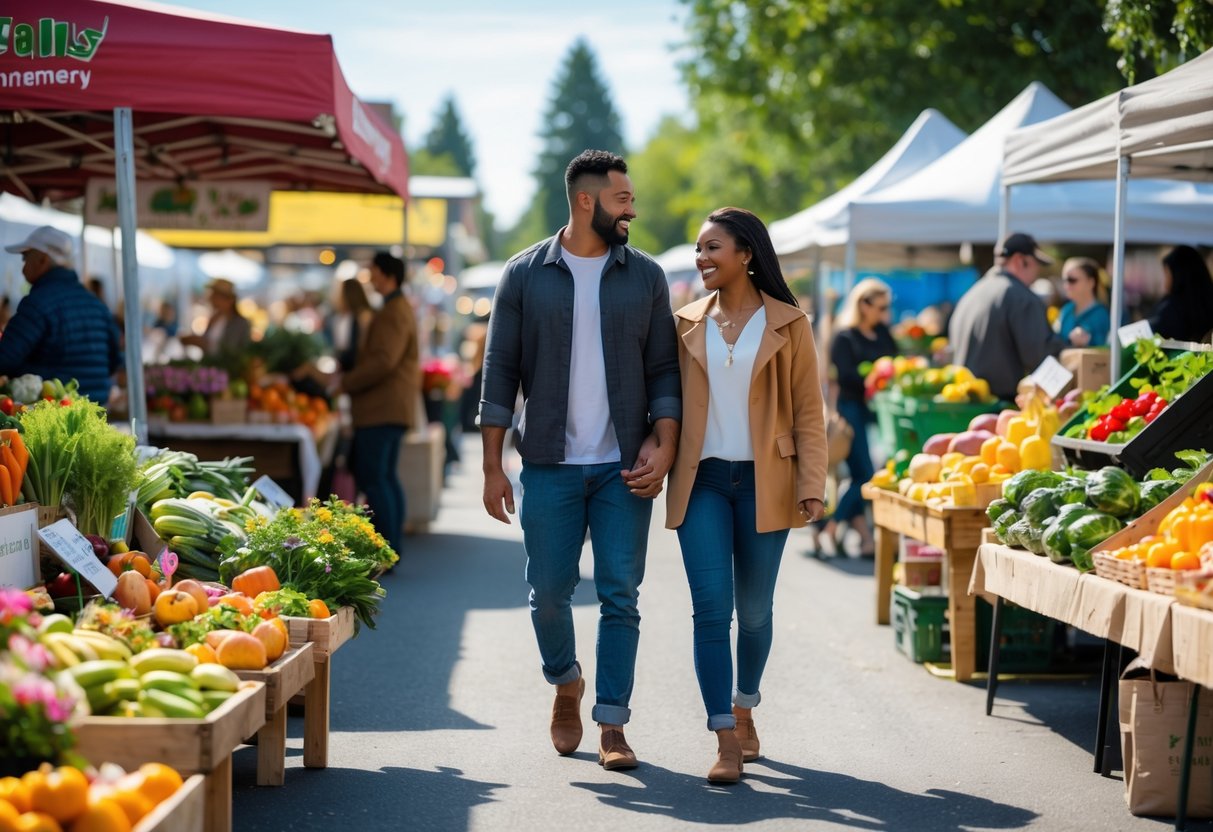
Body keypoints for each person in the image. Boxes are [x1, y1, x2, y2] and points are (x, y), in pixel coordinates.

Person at [479, 149, 680, 771]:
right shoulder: (525, 273)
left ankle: (612, 724)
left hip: (625, 465)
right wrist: (492, 466)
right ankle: (566, 682)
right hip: (548, 463)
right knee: (547, 593)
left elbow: (664, 368)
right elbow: (498, 372)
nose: (633, 211)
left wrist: (665, 442)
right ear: (586, 200)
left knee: (621, 594)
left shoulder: (645, 275)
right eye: (623, 200)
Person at [665, 207, 828, 783]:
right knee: (712, 611)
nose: (701, 259)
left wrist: (813, 483)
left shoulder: (790, 323)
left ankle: (745, 702)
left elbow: (810, 410)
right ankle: (724, 737)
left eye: (712, 248)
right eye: (698, 251)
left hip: (767, 481)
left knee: (755, 614)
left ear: (746, 254)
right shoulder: (684, 322)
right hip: (702, 479)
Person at [340, 252, 419, 558]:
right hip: (386, 408)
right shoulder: (394, 308)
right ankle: (391, 548)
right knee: (384, 478)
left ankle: (388, 548)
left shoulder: (393, 310)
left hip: (382, 409)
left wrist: (346, 382)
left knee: (377, 479)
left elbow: (384, 361)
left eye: (373, 272)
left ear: (387, 275)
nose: (369, 278)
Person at [813, 278, 897, 558]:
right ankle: (831, 526)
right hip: (852, 411)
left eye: (887, 307)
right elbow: (846, 375)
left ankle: (851, 532)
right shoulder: (844, 336)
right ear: (864, 304)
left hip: (880, 412)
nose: (885, 312)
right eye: (881, 306)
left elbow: (895, 362)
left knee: (867, 475)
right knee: (864, 475)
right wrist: (874, 377)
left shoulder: (883, 332)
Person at [0, 226, 121, 404]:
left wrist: (26, 374)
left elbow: (4, 359)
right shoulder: (97, 306)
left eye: (26, 258)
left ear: (43, 260)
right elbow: (113, 361)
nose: (23, 268)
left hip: (54, 412)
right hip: (97, 411)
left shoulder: (38, 303)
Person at [948, 232, 1066, 401]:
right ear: (1019, 260)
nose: (1037, 272)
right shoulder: (1022, 297)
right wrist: (1066, 345)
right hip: (1001, 408)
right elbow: (1039, 357)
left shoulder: (972, 293)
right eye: (1034, 264)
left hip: (964, 403)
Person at [1149, 245, 1213, 343]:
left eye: (1167, 275)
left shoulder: (1171, 306)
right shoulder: (1207, 300)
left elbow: (1152, 331)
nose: (1165, 284)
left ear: (1178, 275)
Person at [180, 278, 252, 358]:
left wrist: (205, 344)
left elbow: (233, 351)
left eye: (215, 295)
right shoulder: (215, 318)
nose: (211, 298)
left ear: (229, 300)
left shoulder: (240, 323)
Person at [1056, 257, 1111, 347]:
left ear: (1091, 282)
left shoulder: (1101, 314)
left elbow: (1105, 351)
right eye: (1064, 280)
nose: (1066, 285)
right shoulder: (1066, 310)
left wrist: (1088, 341)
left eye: (1072, 280)